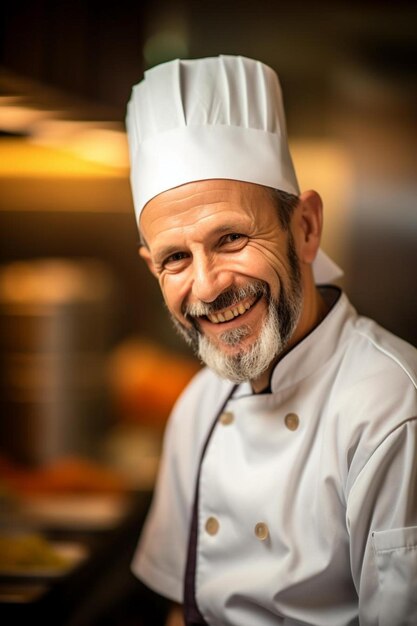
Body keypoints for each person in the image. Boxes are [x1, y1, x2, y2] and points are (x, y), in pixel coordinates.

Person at [125, 55, 417, 626]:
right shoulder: (199, 407)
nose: (207, 286)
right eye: (175, 259)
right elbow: (182, 612)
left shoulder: (393, 410)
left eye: (231, 238)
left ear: (305, 228)